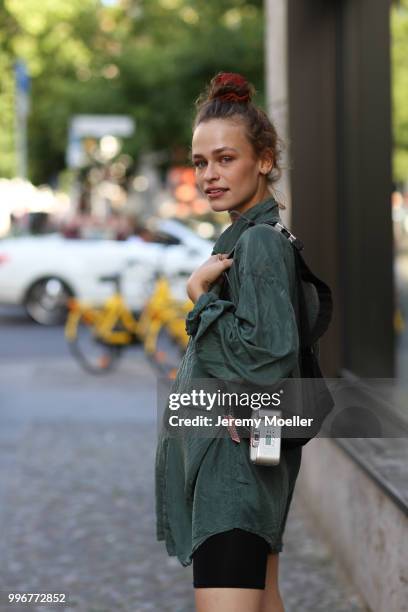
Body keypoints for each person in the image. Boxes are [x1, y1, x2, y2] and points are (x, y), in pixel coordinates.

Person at [155, 72, 304, 612]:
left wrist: (201, 297)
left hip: (235, 468)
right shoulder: (254, 237)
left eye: (226, 158)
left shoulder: (260, 242)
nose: (210, 175)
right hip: (247, 458)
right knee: (265, 601)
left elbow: (268, 355)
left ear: (263, 160)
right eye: (201, 162)